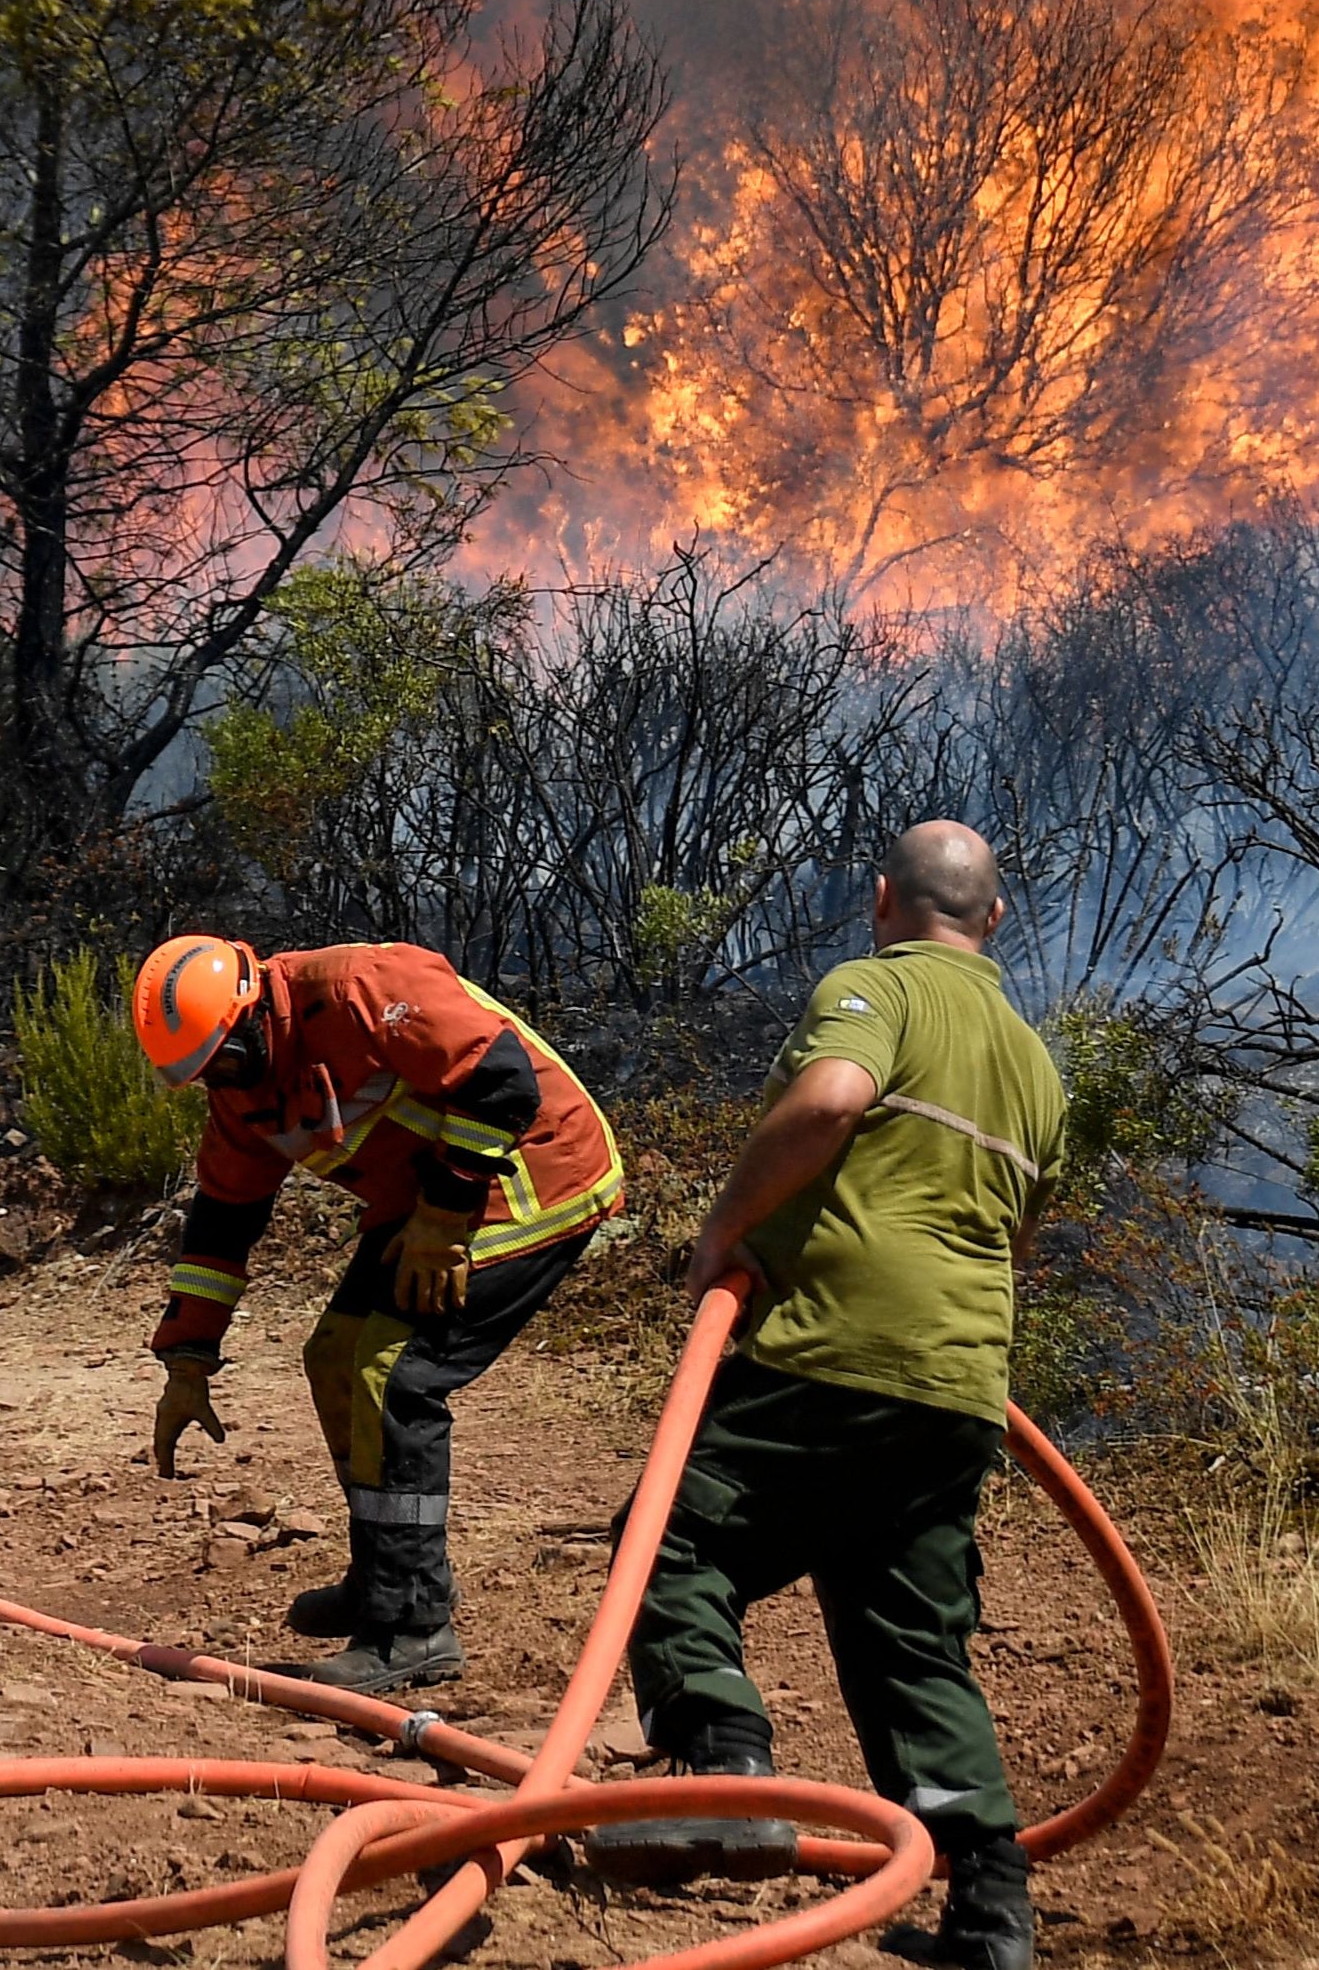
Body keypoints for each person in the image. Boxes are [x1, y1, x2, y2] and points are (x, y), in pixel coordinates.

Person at [593, 821, 1068, 1970]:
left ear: (880, 902)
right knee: (909, 1634)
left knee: (668, 1540)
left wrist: (724, 1231)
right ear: (994, 918)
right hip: (960, 1382)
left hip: (831, 1349)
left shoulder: (875, 985)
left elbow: (829, 1100)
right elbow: (1018, 1227)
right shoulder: (1038, 1063)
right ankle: (991, 1910)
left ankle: (726, 1767)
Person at [134, 933, 625, 1693]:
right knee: (333, 1356)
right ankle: (384, 1574)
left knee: (392, 1372)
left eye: (226, 1060)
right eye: (205, 1075)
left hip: (531, 1173)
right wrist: (188, 1358)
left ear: (254, 1011)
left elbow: (500, 1082)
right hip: (426, 1202)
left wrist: (441, 1217)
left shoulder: (364, 986)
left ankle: (413, 1626)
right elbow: (224, 1217)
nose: (221, 1083)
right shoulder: (239, 1090)